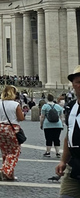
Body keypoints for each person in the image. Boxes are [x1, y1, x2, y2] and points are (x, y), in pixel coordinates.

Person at [56, 65, 80, 196]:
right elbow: (68, 136)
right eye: (78, 82)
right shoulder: (71, 107)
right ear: (73, 84)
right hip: (74, 165)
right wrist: (63, 161)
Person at [0, 84, 25, 181]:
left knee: (5, 152)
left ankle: (9, 175)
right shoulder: (15, 105)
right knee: (14, 151)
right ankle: (4, 170)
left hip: (2, 128)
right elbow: (21, 118)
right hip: (12, 128)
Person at [41, 93, 64, 157]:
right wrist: (62, 124)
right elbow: (61, 117)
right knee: (57, 138)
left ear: (47, 99)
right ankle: (58, 153)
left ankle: (48, 152)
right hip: (58, 125)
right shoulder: (58, 106)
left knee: (48, 138)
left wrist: (41, 124)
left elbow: (42, 117)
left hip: (47, 124)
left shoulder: (45, 106)